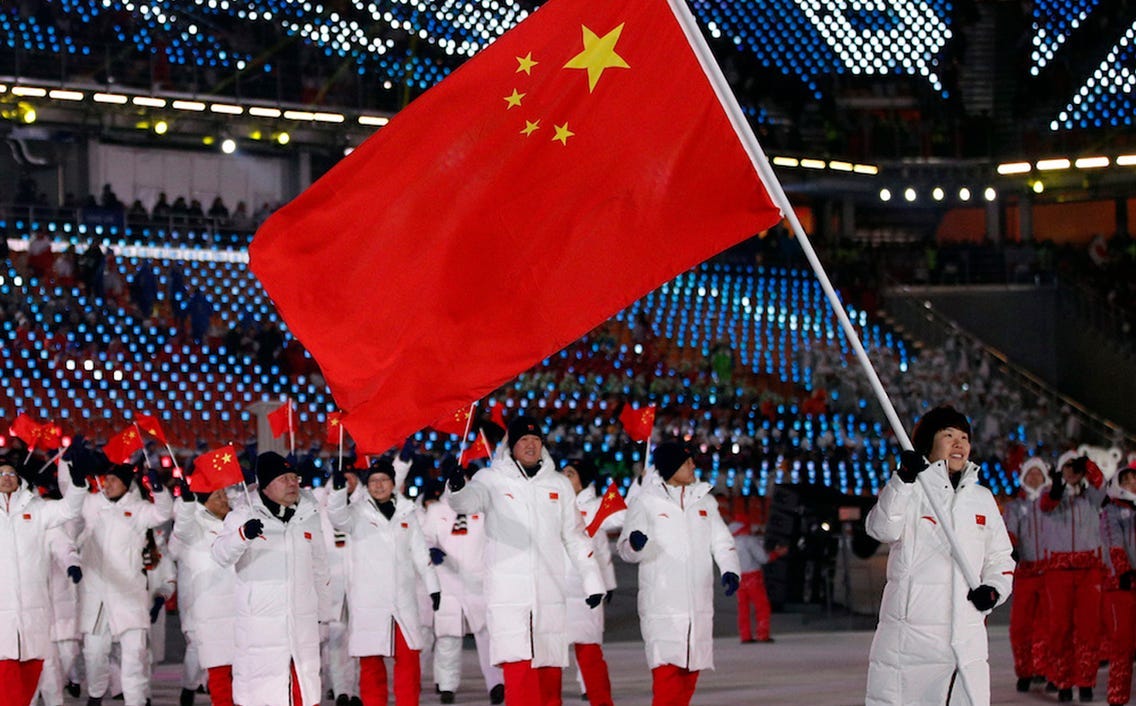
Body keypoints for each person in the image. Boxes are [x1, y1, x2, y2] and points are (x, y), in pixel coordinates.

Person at [448, 416, 606, 706]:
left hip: (548, 595)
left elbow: (575, 537)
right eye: (523, 440)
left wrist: (592, 581)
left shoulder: (558, 484)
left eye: (535, 440)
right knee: (520, 678)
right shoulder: (491, 479)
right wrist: (456, 488)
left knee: (549, 684)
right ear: (512, 445)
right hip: (509, 597)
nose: (530, 445)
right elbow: (466, 503)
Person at [864, 405, 1015, 706]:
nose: (959, 444)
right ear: (928, 445)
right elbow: (881, 528)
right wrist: (902, 481)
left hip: (965, 641)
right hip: (910, 641)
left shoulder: (982, 499)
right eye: (948, 435)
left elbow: (1000, 557)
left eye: (964, 437)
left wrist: (994, 590)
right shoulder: (910, 490)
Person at [616, 441, 741, 706]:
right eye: (686, 462)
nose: (693, 466)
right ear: (671, 467)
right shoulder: (645, 502)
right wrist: (635, 545)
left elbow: (722, 542)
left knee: (688, 679)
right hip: (662, 606)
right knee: (667, 678)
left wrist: (730, 569)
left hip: (697, 606)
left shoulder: (705, 502)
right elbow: (625, 550)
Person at [211, 452, 331, 706]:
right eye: (283, 479)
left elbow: (320, 568)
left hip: (302, 626)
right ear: (265, 485)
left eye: (294, 478)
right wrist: (242, 535)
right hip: (260, 630)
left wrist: (323, 614)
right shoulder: (243, 515)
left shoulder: (308, 515)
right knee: (262, 696)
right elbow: (220, 554)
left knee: (304, 693)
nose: (292, 483)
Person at [326, 458, 439, 706]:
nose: (378, 485)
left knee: (409, 660)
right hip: (369, 602)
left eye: (384, 480)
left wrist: (434, 587)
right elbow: (337, 518)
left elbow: (420, 553)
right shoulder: (356, 513)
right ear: (367, 485)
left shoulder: (407, 512)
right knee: (371, 666)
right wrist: (337, 492)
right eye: (373, 481)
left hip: (402, 600)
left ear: (393, 482)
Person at [78, 460, 173, 706]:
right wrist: (73, 470)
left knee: (134, 657)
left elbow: (163, 513)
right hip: (97, 597)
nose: (107, 484)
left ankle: (136, 701)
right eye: (106, 479)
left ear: (125, 484)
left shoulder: (138, 510)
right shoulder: (92, 505)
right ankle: (96, 694)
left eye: (113, 480)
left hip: (128, 595)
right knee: (94, 654)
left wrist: (159, 490)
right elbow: (71, 500)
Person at [0, 449, 87, 706]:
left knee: (29, 681)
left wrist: (78, 484)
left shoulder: (37, 510)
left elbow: (69, 510)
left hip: (33, 613)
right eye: (1, 474)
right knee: (8, 688)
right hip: (3, 614)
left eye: (10, 473)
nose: (6, 478)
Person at [420, 472, 503, 704]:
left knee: (487, 635)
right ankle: (447, 686)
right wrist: (431, 549)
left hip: (479, 582)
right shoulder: (436, 510)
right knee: (448, 637)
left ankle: (496, 683)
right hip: (447, 581)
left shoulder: (483, 509)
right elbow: (424, 536)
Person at [1040, 451, 1107, 703]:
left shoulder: (1092, 497)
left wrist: (1088, 465)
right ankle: (1063, 681)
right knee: (1060, 628)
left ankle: (1086, 681)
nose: (1072, 471)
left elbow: (1102, 485)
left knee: (1089, 628)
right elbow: (1047, 504)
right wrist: (1059, 484)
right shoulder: (1051, 495)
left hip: (1089, 570)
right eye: (1067, 466)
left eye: (1075, 466)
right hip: (1058, 571)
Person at [168, 477, 237, 706]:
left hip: (237, 603)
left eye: (224, 494)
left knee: (235, 665)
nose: (224, 499)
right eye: (218, 496)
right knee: (208, 657)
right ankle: (189, 688)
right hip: (207, 603)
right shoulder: (195, 525)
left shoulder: (235, 521)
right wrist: (187, 505)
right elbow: (181, 532)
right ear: (205, 503)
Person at [561, 458, 621, 706]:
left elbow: (620, 520)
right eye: (563, 473)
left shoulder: (596, 506)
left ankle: (591, 689)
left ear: (583, 480)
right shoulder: (554, 503)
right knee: (550, 651)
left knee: (588, 646)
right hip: (555, 587)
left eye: (571, 474)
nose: (565, 478)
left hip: (586, 589)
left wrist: (608, 583)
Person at [1003, 456, 1051, 693]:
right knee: (1020, 625)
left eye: (1038, 473)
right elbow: (1009, 530)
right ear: (1023, 477)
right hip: (1026, 571)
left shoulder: (1052, 504)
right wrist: (1011, 547)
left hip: (1050, 572)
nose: (1034, 477)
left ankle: (1042, 668)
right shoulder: (1015, 506)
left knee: (1046, 624)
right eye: (1030, 473)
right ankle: (1024, 670)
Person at [1101, 462, 1136, 706]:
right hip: (1123, 585)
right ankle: (1117, 696)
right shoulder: (1112, 509)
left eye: (1135, 480)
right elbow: (1114, 541)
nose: (1132, 485)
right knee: (1123, 642)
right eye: (1126, 481)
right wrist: (1124, 570)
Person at [730, 520, 785, 644]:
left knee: (743, 608)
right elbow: (763, 558)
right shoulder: (749, 541)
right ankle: (762, 634)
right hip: (753, 577)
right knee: (762, 606)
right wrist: (776, 553)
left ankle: (745, 635)